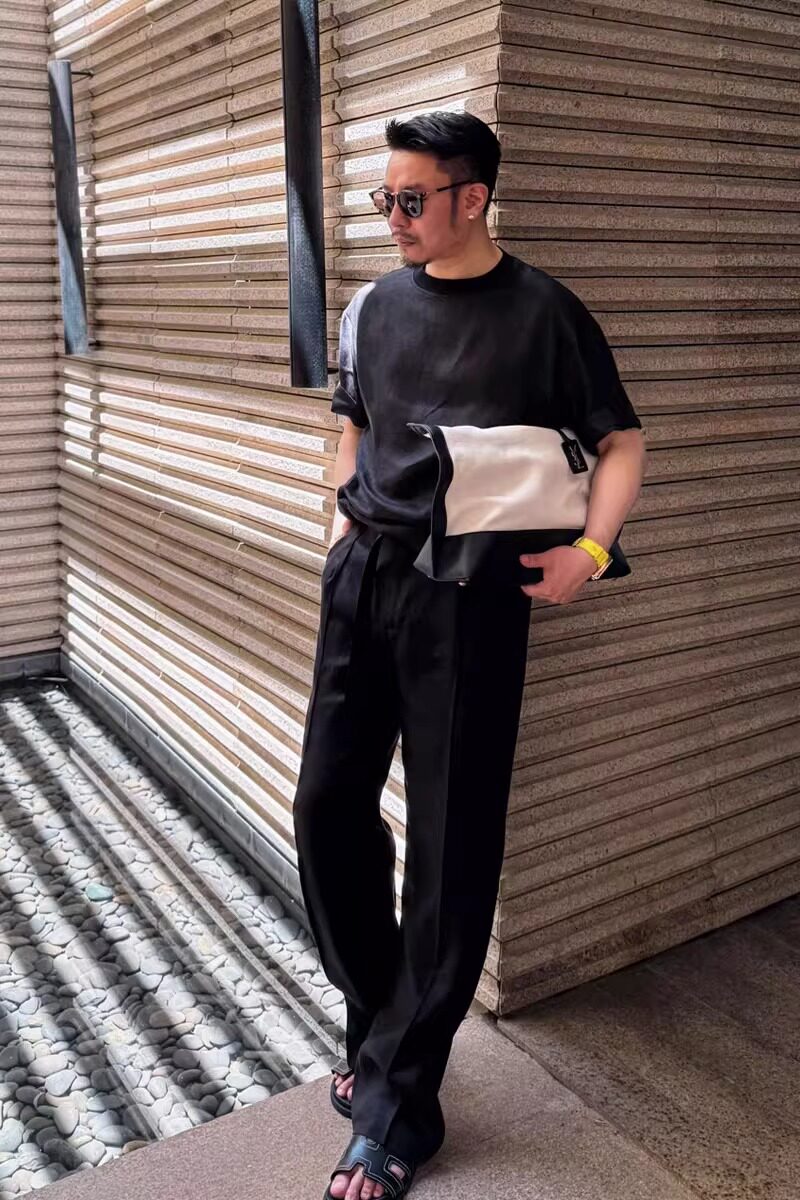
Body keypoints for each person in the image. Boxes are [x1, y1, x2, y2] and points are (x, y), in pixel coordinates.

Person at [292, 111, 647, 1200]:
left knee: (451, 845)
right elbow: (353, 422)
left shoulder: (544, 313)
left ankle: (400, 1107)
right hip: (366, 581)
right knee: (326, 811)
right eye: (383, 199)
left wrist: (591, 550)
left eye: (410, 200)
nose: (392, 219)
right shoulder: (371, 306)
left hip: (472, 601)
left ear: (472, 197)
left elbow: (621, 441)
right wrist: (341, 528)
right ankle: (379, 1032)